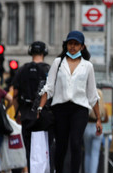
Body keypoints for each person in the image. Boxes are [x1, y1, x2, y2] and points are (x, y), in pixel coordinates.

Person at [38, 31, 103, 173]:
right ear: (66, 45)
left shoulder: (87, 66)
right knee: (61, 145)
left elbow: (92, 94)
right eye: (70, 43)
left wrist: (98, 118)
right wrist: (40, 108)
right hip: (60, 108)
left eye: (76, 44)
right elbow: (49, 87)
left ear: (82, 47)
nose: (72, 47)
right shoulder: (58, 62)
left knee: (75, 143)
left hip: (80, 109)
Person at [12, 40, 51, 165]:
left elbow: (15, 95)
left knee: (29, 151)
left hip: (26, 115)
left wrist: (18, 112)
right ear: (45, 52)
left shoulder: (22, 70)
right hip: (45, 116)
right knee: (45, 150)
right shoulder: (49, 70)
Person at [83, 88, 108, 173]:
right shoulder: (103, 107)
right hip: (97, 128)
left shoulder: (88, 105)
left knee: (87, 153)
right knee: (95, 154)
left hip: (87, 127)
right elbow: (106, 119)